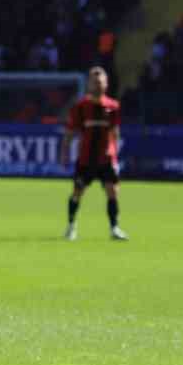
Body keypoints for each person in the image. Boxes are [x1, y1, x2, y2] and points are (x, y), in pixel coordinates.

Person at [62, 65, 127, 241]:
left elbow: (115, 132)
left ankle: (114, 228)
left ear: (106, 84)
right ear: (89, 84)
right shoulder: (81, 106)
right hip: (86, 159)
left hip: (106, 158)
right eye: (94, 82)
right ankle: (71, 225)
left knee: (112, 191)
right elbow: (70, 132)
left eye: (100, 82)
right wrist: (65, 152)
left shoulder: (113, 106)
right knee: (77, 192)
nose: (97, 85)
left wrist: (115, 153)